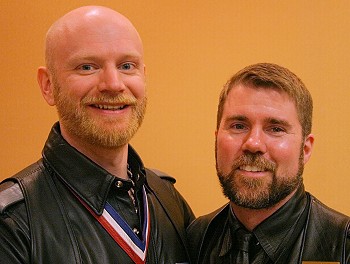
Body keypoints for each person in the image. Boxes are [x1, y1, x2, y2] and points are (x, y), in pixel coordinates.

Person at [0, 6, 194, 264]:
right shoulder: (12, 223)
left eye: (127, 66)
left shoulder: (168, 199)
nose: (113, 84)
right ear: (48, 86)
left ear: (143, 77)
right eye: (87, 67)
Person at [187, 63, 350, 263]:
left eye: (276, 129)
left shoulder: (342, 246)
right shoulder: (195, 239)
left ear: (305, 149)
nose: (253, 143)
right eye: (238, 126)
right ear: (216, 139)